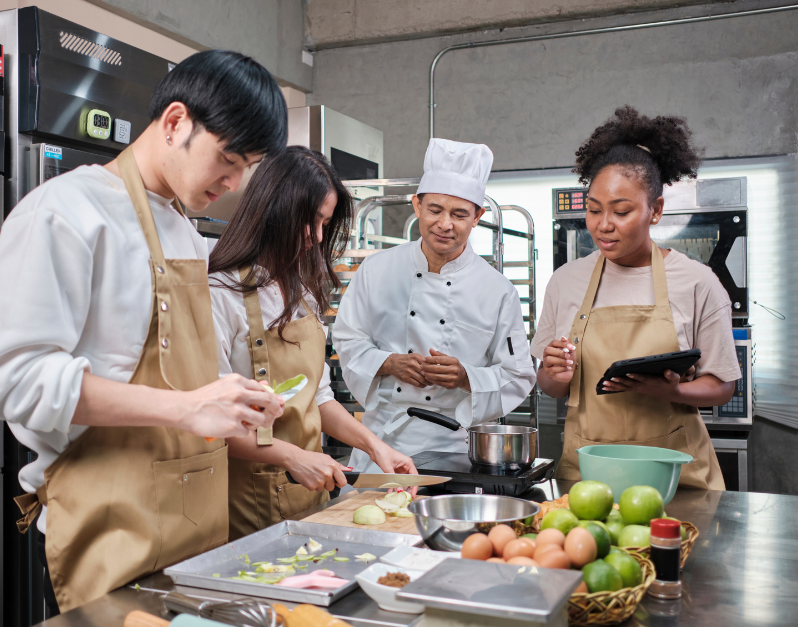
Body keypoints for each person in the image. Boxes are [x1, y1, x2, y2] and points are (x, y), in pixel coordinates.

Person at [0, 50, 287, 615]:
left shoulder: (189, 236)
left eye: (248, 168)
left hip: (194, 529)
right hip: (112, 529)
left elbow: (193, 377)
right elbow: (12, 380)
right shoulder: (66, 210)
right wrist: (184, 408)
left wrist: (232, 398)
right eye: (229, 159)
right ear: (174, 123)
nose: (236, 183)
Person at [207, 146, 418, 540]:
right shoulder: (220, 292)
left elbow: (318, 399)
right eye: (312, 222)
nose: (317, 238)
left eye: (325, 224)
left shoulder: (299, 291)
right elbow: (211, 423)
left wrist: (376, 449)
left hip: (308, 497)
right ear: (275, 210)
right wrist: (293, 456)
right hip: (245, 506)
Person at [533, 106, 740, 490]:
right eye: (593, 210)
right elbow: (550, 384)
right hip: (588, 476)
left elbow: (723, 385)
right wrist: (554, 373)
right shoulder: (566, 281)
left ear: (655, 210)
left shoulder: (698, 282)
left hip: (673, 477)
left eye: (621, 211)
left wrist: (672, 390)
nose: (603, 225)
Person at [332, 139, 536, 472]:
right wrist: (389, 362)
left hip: (451, 449)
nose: (444, 224)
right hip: (380, 443)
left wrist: (465, 377)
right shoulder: (376, 269)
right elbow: (347, 339)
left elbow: (518, 374)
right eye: (435, 210)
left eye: (459, 214)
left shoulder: (497, 291)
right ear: (417, 205)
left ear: (477, 217)